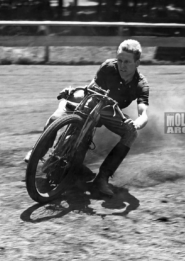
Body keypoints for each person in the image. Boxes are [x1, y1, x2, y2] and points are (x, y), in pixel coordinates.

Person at [24, 39, 149, 197]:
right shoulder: (108, 67)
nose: (122, 65)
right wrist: (71, 94)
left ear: (137, 63)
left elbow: (143, 114)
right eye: (120, 60)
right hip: (94, 100)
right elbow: (90, 89)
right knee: (56, 116)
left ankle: (102, 178)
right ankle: (38, 152)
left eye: (127, 62)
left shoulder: (141, 84)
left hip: (112, 111)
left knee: (131, 133)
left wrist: (136, 124)